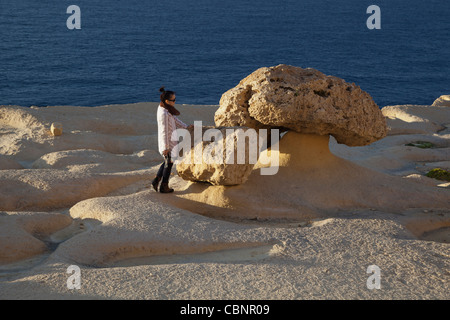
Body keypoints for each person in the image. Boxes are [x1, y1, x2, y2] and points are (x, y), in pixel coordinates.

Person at [152, 87, 193, 193]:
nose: (174, 102)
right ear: (166, 101)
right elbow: (165, 131)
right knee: (169, 164)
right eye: (173, 100)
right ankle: (164, 186)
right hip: (168, 142)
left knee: (166, 162)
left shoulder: (164, 109)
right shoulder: (164, 113)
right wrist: (166, 147)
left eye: (175, 99)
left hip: (169, 140)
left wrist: (186, 126)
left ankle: (156, 180)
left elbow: (175, 120)